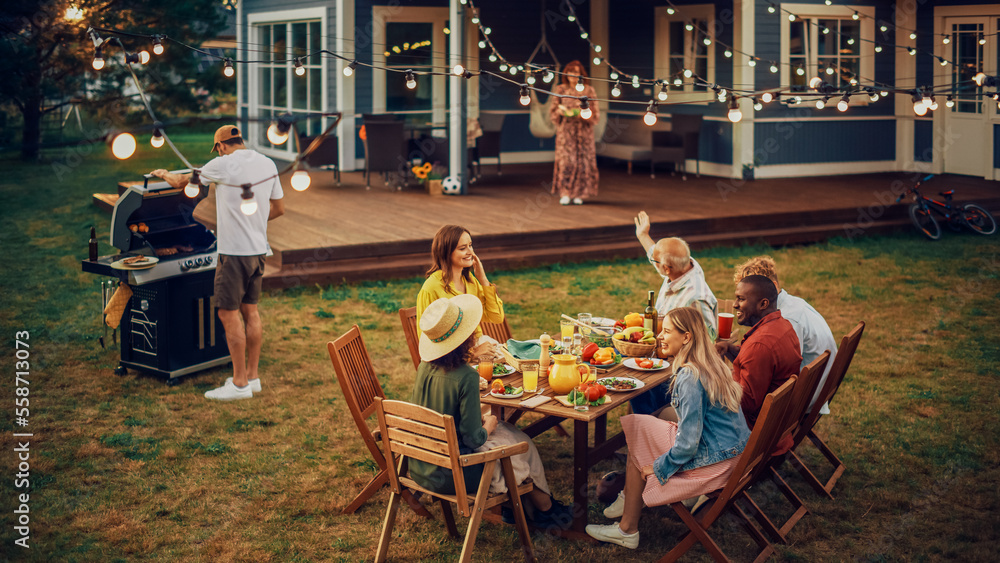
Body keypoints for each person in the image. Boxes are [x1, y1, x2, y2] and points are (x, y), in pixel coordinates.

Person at [585, 307, 751, 549]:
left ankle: (627, 529)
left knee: (638, 437)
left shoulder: (689, 377)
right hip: (734, 455)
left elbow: (688, 444)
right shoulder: (710, 362)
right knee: (646, 424)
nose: (659, 336)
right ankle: (631, 497)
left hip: (715, 465)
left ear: (687, 337)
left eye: (666, 331)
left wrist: (658, 467)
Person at [412, 295, 571, 527]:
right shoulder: (465, 376)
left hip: (421, 464)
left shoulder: (424, 367)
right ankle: (544, 509)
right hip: (453, 473)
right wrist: (489, 425)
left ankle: (528, 508)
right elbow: (473, 439)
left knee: (513, 437)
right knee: (520, 444)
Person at [151, 125, 284, 400]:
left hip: (234, 254)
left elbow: (181, 182)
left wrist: (163, 173)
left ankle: (238, 385)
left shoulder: (222, 164)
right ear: (241, 141)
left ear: (221, 146)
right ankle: (253, 377)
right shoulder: (268, 163)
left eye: (218, 148)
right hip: (259, 250)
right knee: (251, 310)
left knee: (227, 312)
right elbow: (280, 208)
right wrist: (254, 221)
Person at [630, 211, 718, 415]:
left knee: (635, 382)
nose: (653, 262)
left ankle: (652, 424)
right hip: (662, 352)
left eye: (655, 263)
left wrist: (670, 355)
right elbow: (659, 256)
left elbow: (707, 342)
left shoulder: (695, 298)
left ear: (667, 269)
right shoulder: (684, 265)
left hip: (680, 371)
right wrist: (643, 235)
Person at [733, 256, 838, 414]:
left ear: (771, 288)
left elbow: (772, 373)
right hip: (817, 384)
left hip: (803, 398)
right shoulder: (793, 304)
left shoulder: (787, 320)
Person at [716, 275, 801, 436]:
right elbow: (754, 362)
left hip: (749, 431)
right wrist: (729, 348)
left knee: (668, 412)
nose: (735, 305)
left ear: (763, 304)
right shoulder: (783, 325)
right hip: (776, 423)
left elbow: (746, 404)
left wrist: (713, 381)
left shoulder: (760, 345)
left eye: (741, 299)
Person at [416, 225, 504, 342]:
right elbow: (426, 339)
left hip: (479, 346)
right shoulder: (431, 288)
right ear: (446, 253)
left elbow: (496, 317)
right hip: (451, 356)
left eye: (470, 245)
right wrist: (472, 354)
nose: (470, 252)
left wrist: (483, 279)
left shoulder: (470, 281)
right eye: (462, 248)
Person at [549, 60, 599, 205]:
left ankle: (579, 193)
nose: (573, 75)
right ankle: (565, 192)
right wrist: (560, 111)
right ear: (566, 74)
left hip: (584, 132)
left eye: (576, 72)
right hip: (565, 132)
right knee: (566, 162)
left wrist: (581, 113)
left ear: (581, 74)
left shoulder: (589, 90)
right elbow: (553, 110)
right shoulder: (560, 90)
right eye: (570, 72)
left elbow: (595, 112)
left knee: (582, 162)